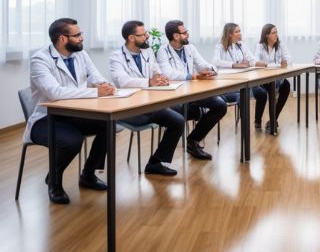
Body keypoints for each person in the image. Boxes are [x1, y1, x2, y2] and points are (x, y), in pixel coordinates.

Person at [27, 18, 115, 204]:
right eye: (77, 35)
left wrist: (104, 85)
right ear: (62, 39)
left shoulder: (81, 55)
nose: (82, 38)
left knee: (108, 125)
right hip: (47, 119)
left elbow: (96, 77)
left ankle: (88, 175)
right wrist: (95, 91)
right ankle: (54, 182)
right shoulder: (40, 60)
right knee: (72, 140)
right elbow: (55, 93)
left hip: (75, 114)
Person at [109, 20, 184, 176]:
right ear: (131, 38)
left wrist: (160, 77)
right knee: (174, 116)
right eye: (143, 35)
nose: (147, 37)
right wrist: (150, 81)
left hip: (149, 104)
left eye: (146, 33)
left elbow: (156, 70)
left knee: (177, 121)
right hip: (130, 108)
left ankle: (155, 163)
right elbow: (122, 81)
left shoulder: (147, 51)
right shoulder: (116, 57)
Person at [157, 20, 227, 160]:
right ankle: (191, 142)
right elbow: (168, 74)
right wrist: (193, 76)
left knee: (220, 105)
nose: (187, 34)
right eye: (185, 32)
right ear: (176, 36)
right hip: (175, 94)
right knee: (198, 110)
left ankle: (193, 140)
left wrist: (211, 70)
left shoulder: (190, 48)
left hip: (192, 92)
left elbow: (202, 64)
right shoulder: (162, 51)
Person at [252, 23, 291, 131]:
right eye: (273, 33)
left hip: (276, 78)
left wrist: (285, 61)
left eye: (276, 32)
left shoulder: (281, 45)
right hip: (262, 79)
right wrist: (277, 65)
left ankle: (273, 119)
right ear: (266, 35)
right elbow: (256, 62)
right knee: (263, 92)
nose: (276, 35)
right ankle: (257, 120)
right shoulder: (260, 46)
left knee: (286, 85)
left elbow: (288, 59)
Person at [211, 22, 256, 104]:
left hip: (240, 79)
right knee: (244, 95)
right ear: (230, 34)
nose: (240, 33)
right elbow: (215, 61)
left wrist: (248, 63)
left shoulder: (241, 44)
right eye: (237, 32)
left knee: (251, 91)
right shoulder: (220, 46)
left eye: (240, 31)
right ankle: (243, 117)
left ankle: (244, 117)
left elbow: (253, 61)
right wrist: (234, 64)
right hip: (226, 82)